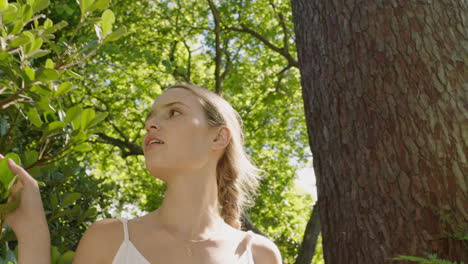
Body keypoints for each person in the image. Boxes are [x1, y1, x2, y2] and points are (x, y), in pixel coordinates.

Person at [2, 83, 283, 263]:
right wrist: (32, 232)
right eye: (150, 117)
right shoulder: (109, 239)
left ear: (219, 138)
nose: (151, 124)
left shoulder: (258, 255)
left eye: (174, 113)